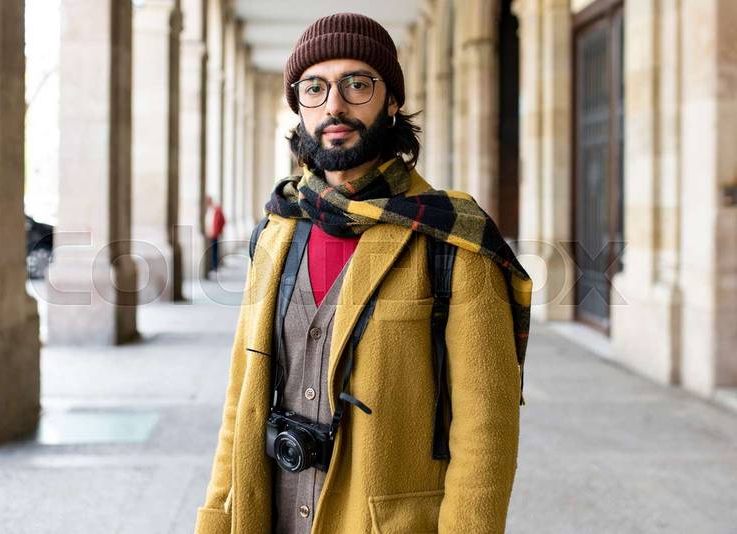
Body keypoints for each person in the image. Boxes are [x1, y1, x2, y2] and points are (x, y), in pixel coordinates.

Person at [194, 12, 532, 534]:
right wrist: (218, 516)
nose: (335, 105)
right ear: (298, 107)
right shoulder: (278, 228)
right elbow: (241, 400)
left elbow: (486, 431)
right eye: (315, 87)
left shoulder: (450, 236)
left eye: (357, 83)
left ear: (391, 101)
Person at [205, 195, 226, 278]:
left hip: (214, 234)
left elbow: (222, 221)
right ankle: (213, 267)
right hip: (210, 233)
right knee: (213, 251)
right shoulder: (210, 210)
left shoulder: (216, 209)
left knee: (214, 251)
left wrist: (217, 231)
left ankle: (215, 267)